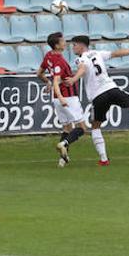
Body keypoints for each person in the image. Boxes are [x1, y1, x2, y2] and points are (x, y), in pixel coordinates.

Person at [64, 35, 129, 166]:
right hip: (111, 89)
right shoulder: (97, 53)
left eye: (74, 45)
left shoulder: (80, 59)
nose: (72, 47)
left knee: (96, 126)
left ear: (81, 45)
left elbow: (83, 68)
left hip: (98, 96)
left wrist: (74, 79)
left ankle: (104, 159)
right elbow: (118, 53)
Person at [38, 32, 101, 168]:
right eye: (62, 41)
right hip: (67, 98)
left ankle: (62, 160)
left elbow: (40, 73)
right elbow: (56, 80)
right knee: (82, 128)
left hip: (57, 99)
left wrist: (47, 83)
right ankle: (64, 144)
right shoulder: (59, 61)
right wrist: (61, 97)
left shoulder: (48, 56)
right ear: (57, 45)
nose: (65, 43)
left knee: (67, 128)